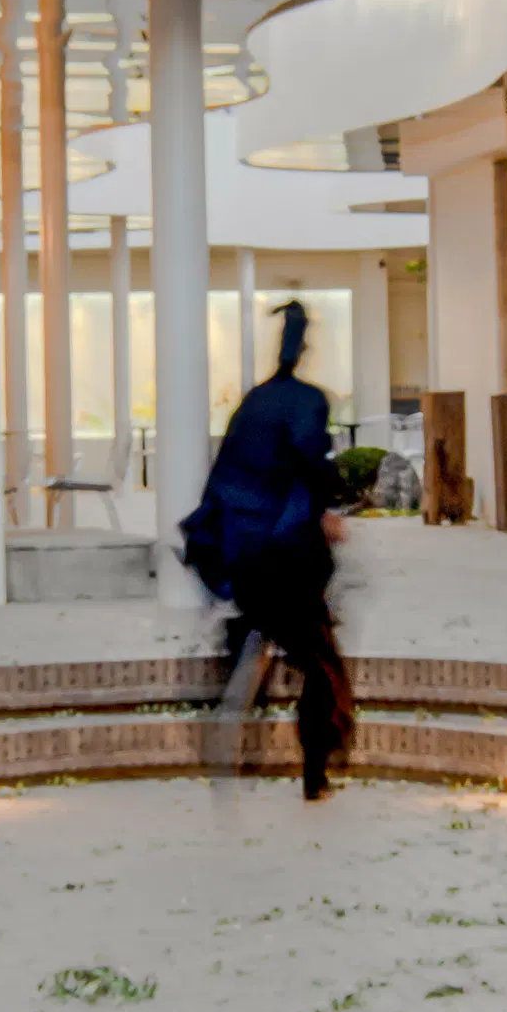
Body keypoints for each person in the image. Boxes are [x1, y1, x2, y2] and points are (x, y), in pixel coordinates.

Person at [179, 298, 357, 798]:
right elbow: (311, 460)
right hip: (284, 557)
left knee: (262, 634)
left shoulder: (253, 402)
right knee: (320, 662)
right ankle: (316, 770)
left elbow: (226, 480)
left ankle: (237, 719)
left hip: (241, 555)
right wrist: (330, 506)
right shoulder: (307, 402)